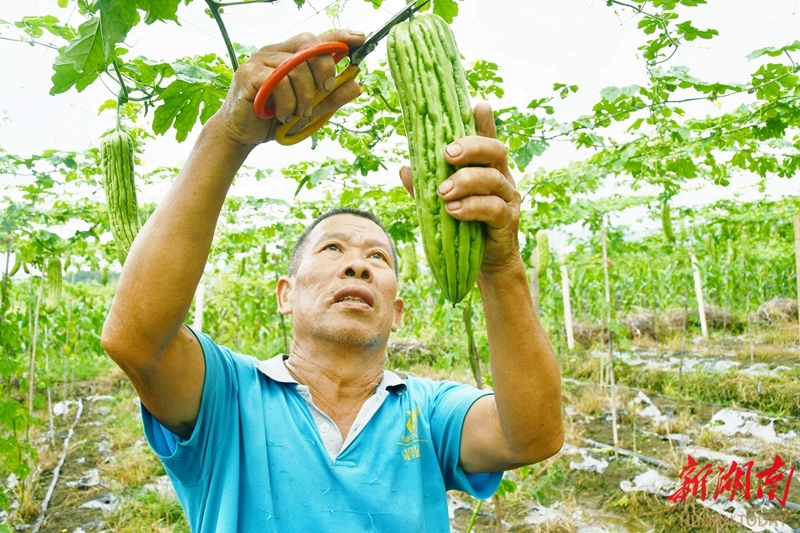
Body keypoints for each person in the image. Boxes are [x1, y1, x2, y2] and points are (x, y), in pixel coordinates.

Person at [101, 29, 563, 532]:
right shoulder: (227, 398)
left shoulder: (429, 414)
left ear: (398, 311)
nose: (357, 265)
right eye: (332, 249)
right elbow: (137, 342)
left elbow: (532, 436)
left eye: (377, 258)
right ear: (286, 293)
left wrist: (500, 268)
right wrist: (229, 135)